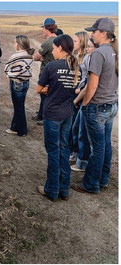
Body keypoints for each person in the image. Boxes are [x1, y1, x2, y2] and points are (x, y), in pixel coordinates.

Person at [71, 18, 118, 194]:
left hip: (97, 105)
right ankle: (103, 179)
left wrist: (85, 103)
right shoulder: (115, 51)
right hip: (111, 103)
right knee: (105, 144)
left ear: (104, 33)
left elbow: (92, 84)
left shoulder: (99, 53)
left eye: (94, 31)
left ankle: (91, 184)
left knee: (97, 147)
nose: (91, 34)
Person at [36, 34, 81, 201]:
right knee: (64, 150)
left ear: (60, 48)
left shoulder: (52, 66)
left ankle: (52, 189)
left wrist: (51, 89)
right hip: (67, 114)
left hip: (52, 114)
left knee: (53, 151)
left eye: (54, 48)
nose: (53, 51)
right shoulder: (77, 67)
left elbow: (39, 89)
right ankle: (64, 189)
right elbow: (73, 88)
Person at [71, 38, 99, 172]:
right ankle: (78, 157)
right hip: (86, 98)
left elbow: (88, 85)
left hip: (88, 100)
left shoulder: (93, 60)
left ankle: (82, 162)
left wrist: (78, 100)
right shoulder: (90, 57)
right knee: (78, 129)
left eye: (90, 47)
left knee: (83, 132)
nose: (88, 49)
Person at [4, 35, 35, 136]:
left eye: (15, 42)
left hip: (16, 83)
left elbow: (6, 68)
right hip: (25, 83)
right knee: (19, 105)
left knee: (18, 107)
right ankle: (14, 127)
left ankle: (22, 130)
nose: (14, 44)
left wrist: (10, 74)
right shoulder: (30, 55)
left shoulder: (15, 56)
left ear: (19, 44)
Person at [32, 18, 57, 125]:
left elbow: (36, 57)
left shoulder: (47, 43)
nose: (42, 30)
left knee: (45, 96)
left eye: (43, 27)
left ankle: (44, 117)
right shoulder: (58, 39)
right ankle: (41, 114)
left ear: (46, 28)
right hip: (56, 73)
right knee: (49, 96)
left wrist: (41, 58)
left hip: (46, 73)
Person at [69, 31, 89, 162]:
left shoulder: (87, 57)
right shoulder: (76, 55)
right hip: (74, 92)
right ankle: (74, 151)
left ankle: (78, 154)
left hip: (81, 95)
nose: (73, 43)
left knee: (78, 128)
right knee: (73, 125)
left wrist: (79, 90)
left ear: (82, 42)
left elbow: (88, 79)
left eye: (75, 41)